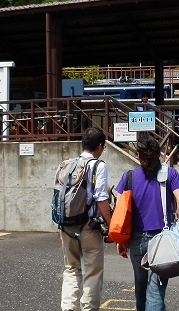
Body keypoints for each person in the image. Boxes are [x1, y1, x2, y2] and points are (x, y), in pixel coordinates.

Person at [115, 133, 179, 311]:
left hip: (136, 239)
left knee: (140, 286)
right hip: (162, 239)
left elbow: (119, 210)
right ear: (158, 154)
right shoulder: (170, 174)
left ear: (138, 155)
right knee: (156, 289)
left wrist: (121, 240)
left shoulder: (129, 177)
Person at [60, 127, 113, 311]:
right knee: (92, 271)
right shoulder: (98, 166)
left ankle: (68, 308)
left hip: (66, 225)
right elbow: (101, 199)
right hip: (89, 227)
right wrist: (111, 224)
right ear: (99, 146)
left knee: (71, 268)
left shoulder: (68, 164)